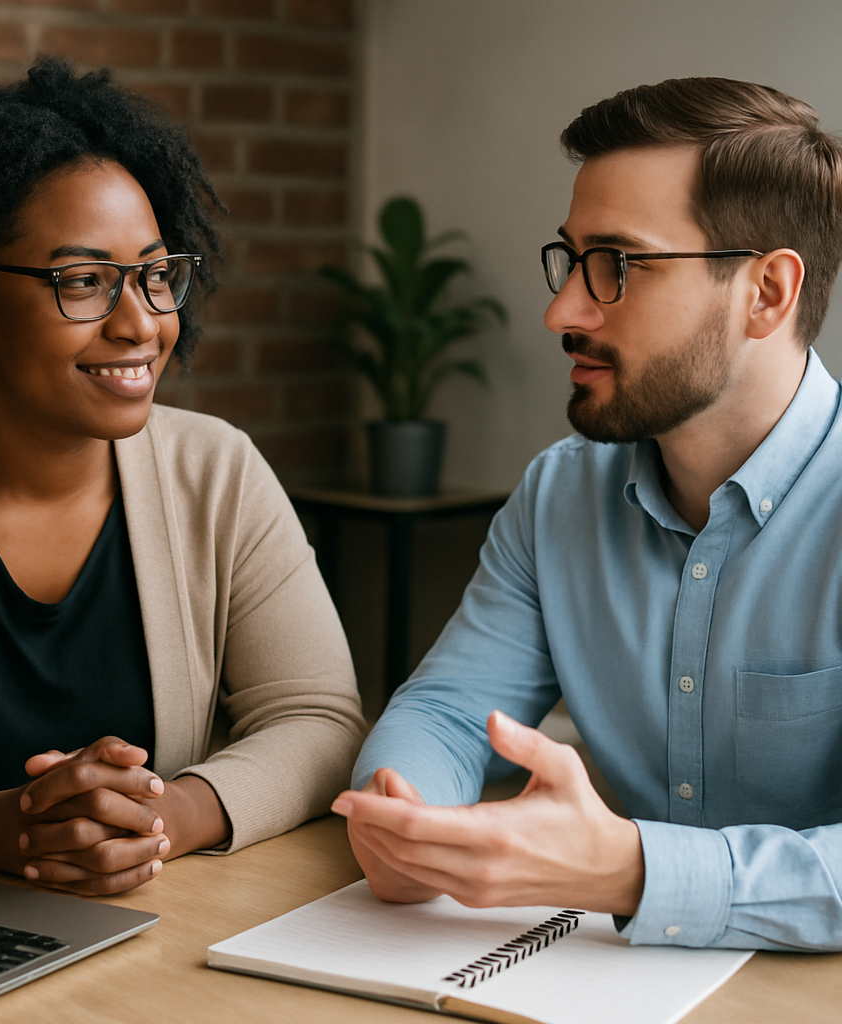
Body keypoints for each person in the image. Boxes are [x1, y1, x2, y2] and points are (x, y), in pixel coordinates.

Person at [0, 58, 364, 897]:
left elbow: (319, 720)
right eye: (83, 281)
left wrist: (162, 819)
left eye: (154, 274)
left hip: (149, 937)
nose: (140, 321)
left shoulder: (217, 472)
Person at [332, 77, 842, 950]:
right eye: (571, 260)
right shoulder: (559, 494)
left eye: (619, 265)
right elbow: (449, 713)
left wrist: (631, 870)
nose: (562, 309)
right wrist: (407, 818)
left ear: (766, 292)